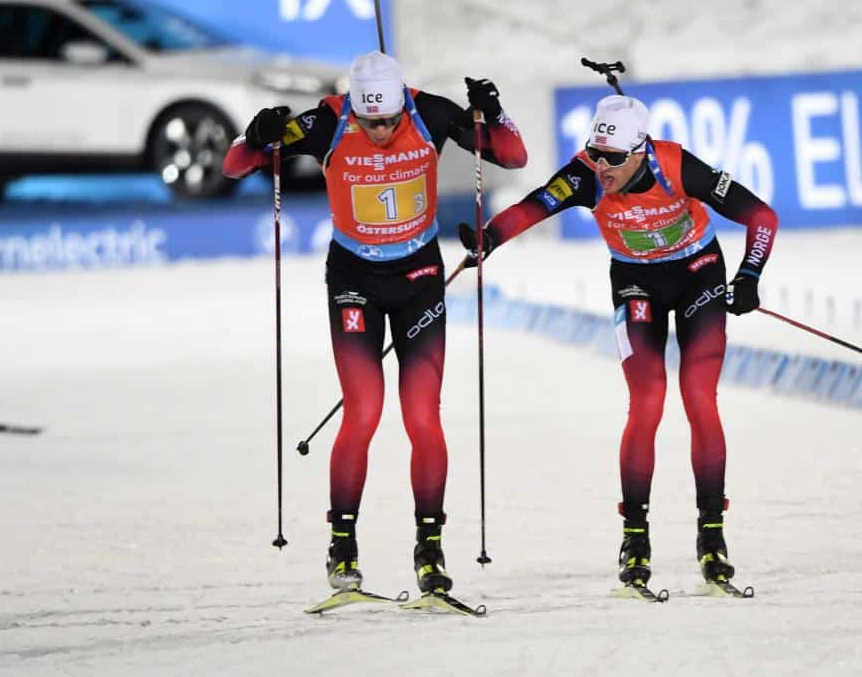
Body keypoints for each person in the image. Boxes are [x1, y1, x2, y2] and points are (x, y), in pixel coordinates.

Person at [223, 51, 527, 595]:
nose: (382, 131)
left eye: (389, 120)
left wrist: (495, 112)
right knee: (363, 411)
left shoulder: (430, 112)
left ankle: (429, 549)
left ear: (402, 103)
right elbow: (235, 164)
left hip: (418, 280)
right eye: (371, 121)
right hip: (354, 280)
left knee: (423, 418)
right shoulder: (326, 121)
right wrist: (255, 134)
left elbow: (512, 154)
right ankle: (342, 547)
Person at [459, 94, 778, 590]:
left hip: (698, 274)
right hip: (635, 284)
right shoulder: (585, 173)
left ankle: (712, 533)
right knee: (647, 402)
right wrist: (490, 238)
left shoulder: (677, 165)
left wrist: (750, 276)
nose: (601, 166)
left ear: (640, 151)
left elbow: (762, 217)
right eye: (595, 153)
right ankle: (635, 538)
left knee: (699, 397)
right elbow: (534, 206)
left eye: (612, 157)